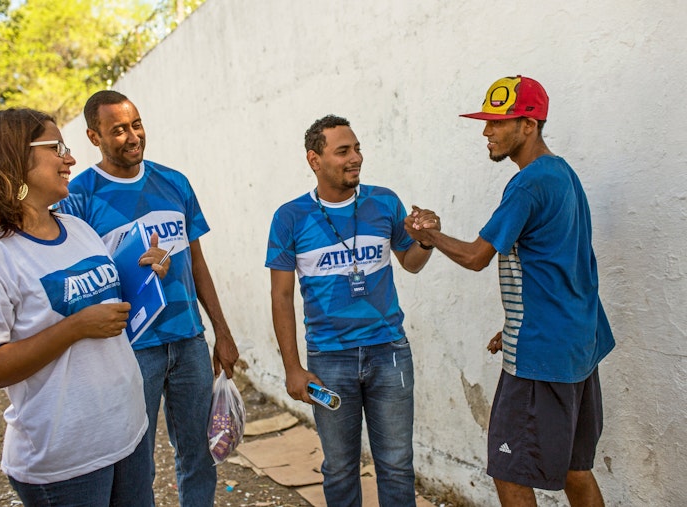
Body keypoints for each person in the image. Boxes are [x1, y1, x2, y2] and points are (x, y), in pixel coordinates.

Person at [406, 75, 616, 506]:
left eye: (498, 122)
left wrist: (429, 236)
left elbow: (476, 257)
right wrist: (518, 321)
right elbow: (562, 264)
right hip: (579, 342)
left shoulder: (527, 184)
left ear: (529, 125)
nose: (486, 131)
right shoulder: (563, 174)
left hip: (542, 354)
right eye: (485, 122)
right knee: (576, 470)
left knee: (509, 471)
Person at [0, 108, 153, 506]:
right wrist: (75, 327)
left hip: (129, 432)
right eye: (56, 148)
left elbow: (109, 308)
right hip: (65, 461)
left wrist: (145, 272)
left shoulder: (78, 229)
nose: (70, 158)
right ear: (15, 157)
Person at [59, 90, 239, 506]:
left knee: (199, 455)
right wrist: (131, 267)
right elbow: (79, 280)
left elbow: (197, 263)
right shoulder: (79, 198)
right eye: (118, 130)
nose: (132, 136)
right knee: (135, 462)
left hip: (189, 342)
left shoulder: (175, 182)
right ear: (93, 136)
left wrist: (222, 333)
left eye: (136, 124)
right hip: (129, 348)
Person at [266, 114, 434, 506]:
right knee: (339, 467)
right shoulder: (290, 218)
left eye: (357, 148)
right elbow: (280, 297)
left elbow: (409, 262)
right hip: (328, 360)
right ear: (314, 160)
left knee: (396, 464)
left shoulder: (384, 202)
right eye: (343, 151)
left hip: (389, 351)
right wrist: (293, 367)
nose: (355, 157)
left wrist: (425, 242)